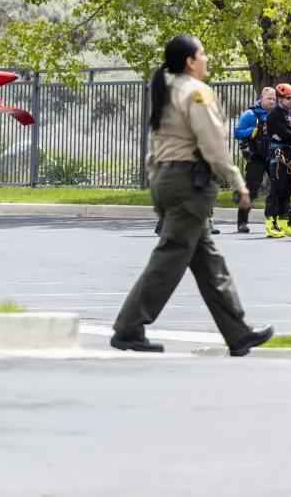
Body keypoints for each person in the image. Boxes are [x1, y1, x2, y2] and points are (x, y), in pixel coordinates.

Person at [112, 35, 274, 356]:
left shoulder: (166, 91)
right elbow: (213, 143)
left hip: (167, 179)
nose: (206, 59)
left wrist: (156, 184)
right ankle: (128, 327)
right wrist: (237, 181)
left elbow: (155, 146)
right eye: (202, 54)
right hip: (189, 183)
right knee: (171, 254)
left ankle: (238, 334)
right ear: (190, 61)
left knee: (208, 260)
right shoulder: (197, 93)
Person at [233, 86, 276, 234]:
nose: (271, 101)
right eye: (269, 98)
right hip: (256, 155)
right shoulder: (250, 114)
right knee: (251, 189)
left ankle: (283, 220)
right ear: (261, 98)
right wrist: (253, 131)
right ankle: (242, 222)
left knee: (279, 187)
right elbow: (237, 133)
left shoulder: (278, 113)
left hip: (273, 155)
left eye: (273, 99)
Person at [264, 83, 291, 239]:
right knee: (276, 189)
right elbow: (285, 132)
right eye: (288, 98)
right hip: (278, 154)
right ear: (279, 99)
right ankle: (270, 223)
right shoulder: (274, 114)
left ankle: (284, 221)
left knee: (288, 189)